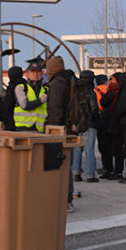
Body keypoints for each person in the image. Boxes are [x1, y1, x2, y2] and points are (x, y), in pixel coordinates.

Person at [45, 56, 75, 213]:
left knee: (58, 164)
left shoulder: (57, 83)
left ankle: (63, 200)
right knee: (66, 164)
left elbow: (56, 110)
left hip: (59, 130)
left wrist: (51, 131)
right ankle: (68, 199)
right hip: (70, 129)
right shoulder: (70, 79)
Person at [72, 70, 99, 183]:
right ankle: (90, 175)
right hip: (89, 124)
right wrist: (97, 120)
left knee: (77, 149)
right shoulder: (90, 92)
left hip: (77, 124)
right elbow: (93, 109)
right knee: (89, 149)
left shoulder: (75, 90)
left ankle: (76, 174)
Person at [97, 74, 125, 180]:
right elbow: (103, 103)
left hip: (116, 125)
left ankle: (118, 171)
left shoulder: (120, 93)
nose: (110, 82)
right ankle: (108, 169)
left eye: (112, 80)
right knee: (105, 149)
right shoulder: (111, 92)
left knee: (117, 150)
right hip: (106, 124)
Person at [12, 61, 48, 132]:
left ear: (42, 73)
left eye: (38, 72)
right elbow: (25, 105)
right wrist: (41, 100)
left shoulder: (46, 90)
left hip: (40, 130)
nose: (36, 74)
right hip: (23, 130)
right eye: (33, 72)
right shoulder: (21, 88)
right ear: (27, 74)